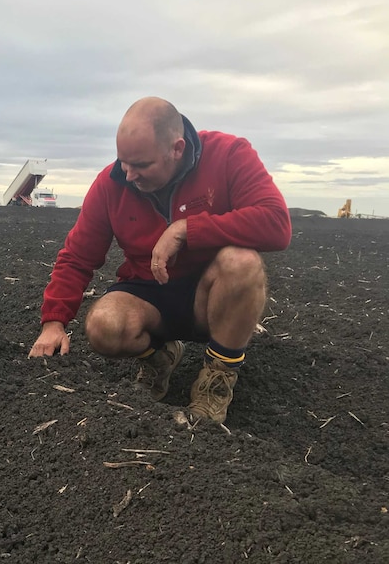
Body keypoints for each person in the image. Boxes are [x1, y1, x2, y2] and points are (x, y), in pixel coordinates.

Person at [29, 97, 291, 424]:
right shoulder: (112, 183)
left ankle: (216, 381)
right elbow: (77, 257)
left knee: (242, 262)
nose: (129, 174)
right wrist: (54, 323)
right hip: (149, 293)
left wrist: (189, 229)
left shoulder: (228, 155)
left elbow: (277, 224)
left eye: (141, 164)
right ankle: (160, 358)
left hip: (210, 296)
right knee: (102, 325)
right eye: (123, 161)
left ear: (177, 148)